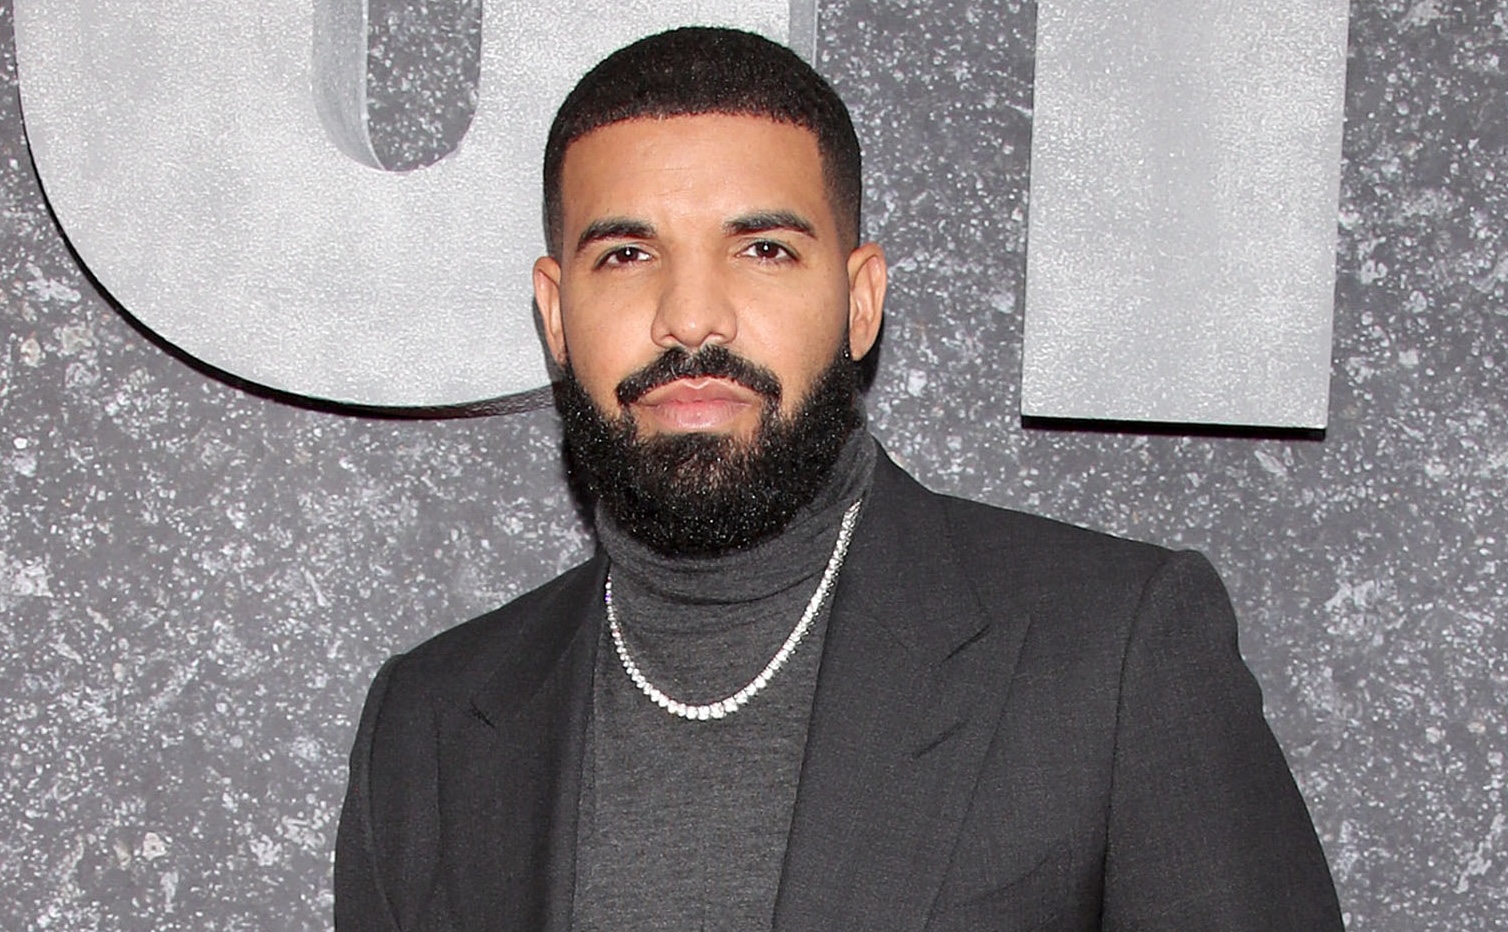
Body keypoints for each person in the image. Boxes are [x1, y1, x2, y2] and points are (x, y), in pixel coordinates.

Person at [334, 26, 1344, 932]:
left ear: (859, 300)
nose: (691, 318)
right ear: (556, 315)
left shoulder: (1108, 654)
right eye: (628, 254)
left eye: (762, 249)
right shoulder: (430, 724)